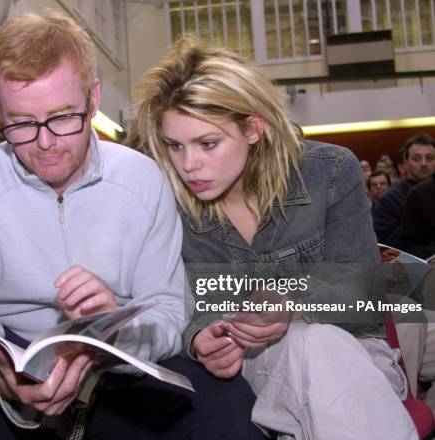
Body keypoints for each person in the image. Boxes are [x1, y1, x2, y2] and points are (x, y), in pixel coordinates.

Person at [0, 13, 263, 440]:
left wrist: (117, 326)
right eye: (21, 122)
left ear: (94, 98)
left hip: (121, 367)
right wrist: (4, 385)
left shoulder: (144, 180)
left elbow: (168, 313)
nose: (45, 143)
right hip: (10, 364)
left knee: (226, 408)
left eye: (64, 117)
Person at [133, 36, 417, 439]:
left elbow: (362, 297)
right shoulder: (168, 202)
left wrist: (293, 300)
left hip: (354, 357)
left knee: (311, 341)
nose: (188, 165)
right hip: (252, 371)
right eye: (174, 146)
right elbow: (170, 305)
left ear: (254, 127)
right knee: (308, 346)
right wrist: (200, 338)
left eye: (207, 143)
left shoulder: (330, 172)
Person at [372, 133, 435, 245]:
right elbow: (387, 247)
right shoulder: (388, 200)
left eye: (429, 158)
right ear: (405, 163)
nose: (424, 163)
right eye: (417, 158)